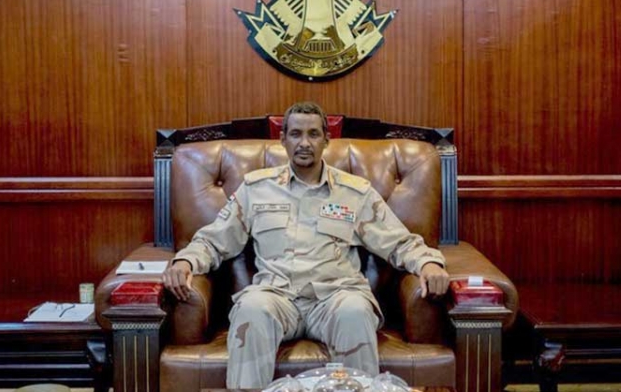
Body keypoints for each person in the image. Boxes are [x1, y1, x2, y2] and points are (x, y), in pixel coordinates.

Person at [162, 101, 450, 389]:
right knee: (251, 309)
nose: (304, 143)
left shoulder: (354, 192)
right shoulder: (256, 189)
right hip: (275, 295)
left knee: (355, 311)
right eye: (296, 134)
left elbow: (398, 241)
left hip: (335, 296)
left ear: (326, 139)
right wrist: (186, 261)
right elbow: (214, 239)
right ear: (283, 139)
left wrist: (428, 263)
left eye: (313, 134)